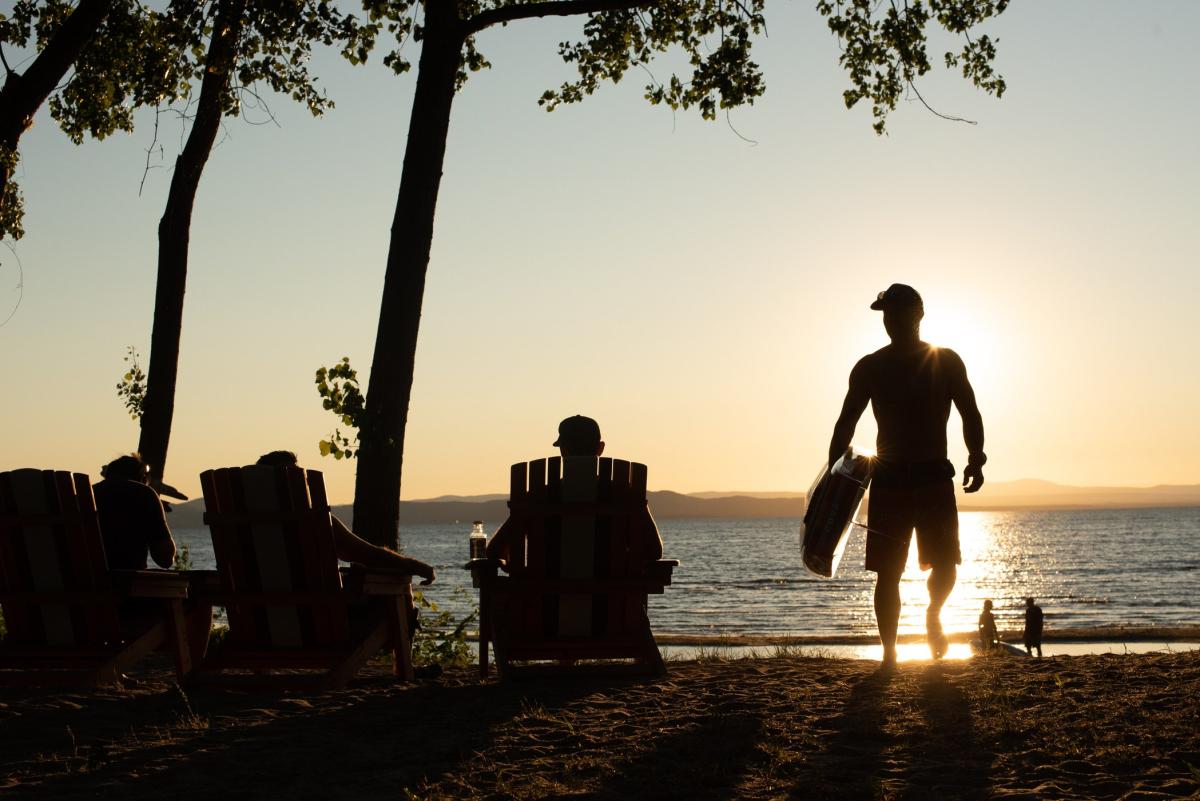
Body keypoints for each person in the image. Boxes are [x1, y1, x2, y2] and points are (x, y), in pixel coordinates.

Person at [826, 284, 986, 667]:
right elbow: (845, 423)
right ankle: (890, 654)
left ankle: (933, 614)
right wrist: (834, 476)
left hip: (933, 477)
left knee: (946, 564)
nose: (890, 321)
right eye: (886, 315)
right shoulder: (870, 366)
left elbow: (970, 411)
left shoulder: (946, 361)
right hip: (890, 481)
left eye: (897, 314)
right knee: (888, 572)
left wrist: (976, 457)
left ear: (917, 317)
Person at [485, 415, 664, 564]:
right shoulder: (625, 495)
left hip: (547, 601)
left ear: (563, 450)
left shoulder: (538, 496)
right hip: (612, 602)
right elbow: (654, 552)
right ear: (600, 448)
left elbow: (495, 552)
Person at [254, 451, 436, 584]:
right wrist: (415, 566)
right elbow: (366, 555)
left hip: (254, 621)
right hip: (318, 619)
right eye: (299, 478)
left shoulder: (237, 525)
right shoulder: (315, 522)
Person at [92, 453, 178, 570]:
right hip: (129, 582)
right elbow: (165, 559)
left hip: (81, 580)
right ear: (142, 477)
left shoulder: (87, 495)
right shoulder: (145, 494)